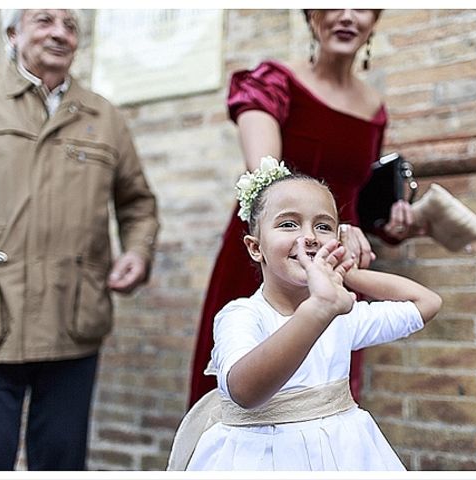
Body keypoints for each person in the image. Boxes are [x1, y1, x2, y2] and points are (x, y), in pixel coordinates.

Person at [189, 8, 424, 408]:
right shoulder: (272, 82)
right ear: (311, 15)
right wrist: (337, 228)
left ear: (375, 20)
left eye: (362, 7)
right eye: (332, 5)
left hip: (333, 259)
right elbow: (265, 178)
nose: (347, 16)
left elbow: (355, 197)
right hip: (270, 253)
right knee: (249, 383)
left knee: (321, 391)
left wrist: (390, 222)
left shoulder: (375, 109)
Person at [168, 158, 441, 470]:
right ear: (255, 248)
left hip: (344, 456)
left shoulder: (341, 315)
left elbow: (426, 302)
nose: (309, 236)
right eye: (288, 224)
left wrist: (349, 273)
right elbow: (244, 391)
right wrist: (317, 310)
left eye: (323, 226)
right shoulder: (241, 315)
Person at [0, 10, 159, 470]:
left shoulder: (105, 116)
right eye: (44, 21)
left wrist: (137, 251)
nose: (59, 32)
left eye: (70, 25)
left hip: (73, 320)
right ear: (13, 34)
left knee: (60, 460)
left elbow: (137, 203)